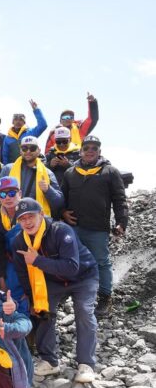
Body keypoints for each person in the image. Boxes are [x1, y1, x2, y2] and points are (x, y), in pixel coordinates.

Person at [12, 198, 98, 383]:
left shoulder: (61, 231)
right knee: (43, 312)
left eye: (31, 216)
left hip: (83, 276)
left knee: (84, 311)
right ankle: (49, 361)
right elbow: (23, 274)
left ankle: (86, 363)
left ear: (42, 214)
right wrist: (34, 299)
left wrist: (37, 261)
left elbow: (71, 267)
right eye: (22, 219)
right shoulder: (19, 242)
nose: (27, 222)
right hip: (53, 282)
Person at [61, 136, 128, 317]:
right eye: (87, 147)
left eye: (94, 148)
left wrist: (122, 222)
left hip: (98, 228)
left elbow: (120, 200)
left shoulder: (110, 172)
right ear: (81, 150)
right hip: (74, 227)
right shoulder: (70, 172)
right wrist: (63, 213)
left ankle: (105, 298)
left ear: (99, 151)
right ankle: (73, 294)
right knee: (72, 260)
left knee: (101, 262)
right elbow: (62, 199)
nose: (90, 150)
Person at [0, 177, 29, 315]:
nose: (7, 198)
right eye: (2, 194)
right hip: (11, 260)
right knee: (11, 290)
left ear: (20, 193)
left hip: (33, 260)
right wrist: (1, 277)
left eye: (12, 193)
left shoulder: (30, 211)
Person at [0, 135, 64, 218]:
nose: (28, 151)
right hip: (12, 218)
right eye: (24, 148)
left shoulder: (47, 173)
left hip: (36, 220)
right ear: (20, 151)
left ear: (39, 151)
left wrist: (48, 190)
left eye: (32, 148)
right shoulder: (8, 169)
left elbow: (59, 203)